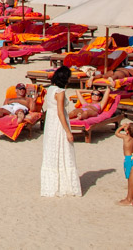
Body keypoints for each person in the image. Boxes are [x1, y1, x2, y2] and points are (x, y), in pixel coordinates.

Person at [40, 66, 82, 197]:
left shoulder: (50, 89)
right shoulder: (60, 91)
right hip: (58, 123)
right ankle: (64, 185)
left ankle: (53, 184)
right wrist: (68, 131)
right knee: (62, 149)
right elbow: (60, 112)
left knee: (52, 150)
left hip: (51, 123)